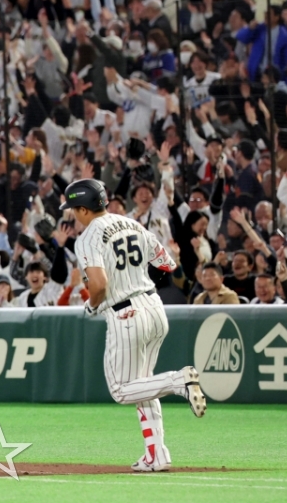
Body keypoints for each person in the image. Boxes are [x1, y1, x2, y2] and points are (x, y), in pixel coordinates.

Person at [63, 178, 205, 473]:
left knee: (121, 390)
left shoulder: (88, 237)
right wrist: (137, 278)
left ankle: (179, 381)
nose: (74, 214)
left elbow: (98, 284)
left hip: (126, 313)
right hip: (154, 305)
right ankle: (156, 455)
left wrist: (92, 305)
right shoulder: (132, 224)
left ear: (83, 209)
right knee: (143, 385)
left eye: (74, 209)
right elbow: (167, 263)